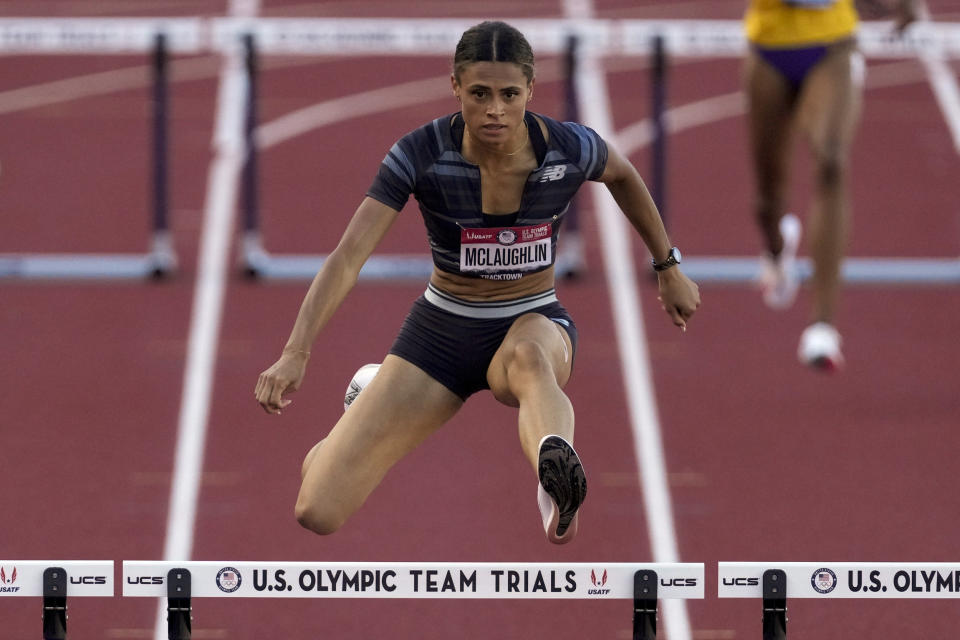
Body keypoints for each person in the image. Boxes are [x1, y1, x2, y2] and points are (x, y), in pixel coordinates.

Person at [254, 21, 700, 545]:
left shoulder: (567, 148)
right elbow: (348, 255)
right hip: (442, 333)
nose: (495, 110)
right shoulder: (420, 154)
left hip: (533, 320)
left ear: (530, 92)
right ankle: (360, 409)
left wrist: (667, 266)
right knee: (317, 511)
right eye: (480, 94)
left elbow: (623, 174)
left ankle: (555, 477)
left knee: (530, 360)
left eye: (510, 95)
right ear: (455, 88)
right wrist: (296, 352)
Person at [743, 0, 916, 371]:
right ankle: (776, 250)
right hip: (769, 46)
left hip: (833, 44)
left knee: (832, 162)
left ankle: (823, 325)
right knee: (766, 199)